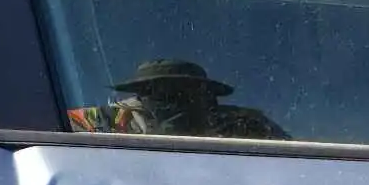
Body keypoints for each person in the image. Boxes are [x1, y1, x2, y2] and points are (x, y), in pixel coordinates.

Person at [83, 59, 288, 140]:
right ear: (140, 95)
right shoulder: (108, 120)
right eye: (160, 93)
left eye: (184, 92)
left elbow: (300, 159)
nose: (173, 101)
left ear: (206, 95)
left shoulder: (244, 124)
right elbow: (54, 133)